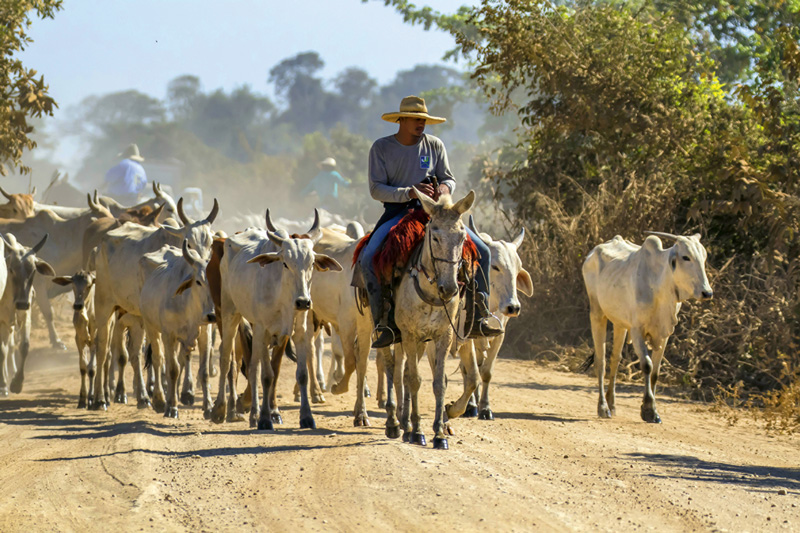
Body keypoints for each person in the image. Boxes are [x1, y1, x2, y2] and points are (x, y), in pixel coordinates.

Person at [360, 95, 503, 348]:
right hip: (397, 212)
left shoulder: (434, 145)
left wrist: (444, 191)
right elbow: (376, 189)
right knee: (368, 256)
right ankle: (383, 323)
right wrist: (410, 192)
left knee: (482, 251)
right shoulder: (381, 148)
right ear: (401, 120)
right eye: (416, 119)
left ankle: (480, 317)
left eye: (424, 120)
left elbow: (448, 178)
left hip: (437, 213)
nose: (421, 124)